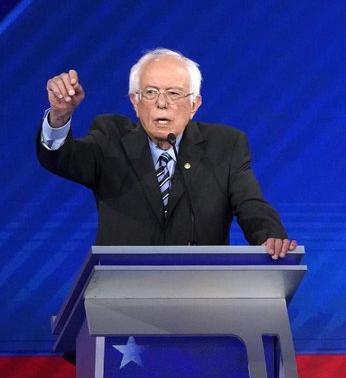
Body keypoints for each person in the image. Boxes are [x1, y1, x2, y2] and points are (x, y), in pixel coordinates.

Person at [38, 48, 296, 258]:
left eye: (174, 93)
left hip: (202, 298)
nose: (162, 103)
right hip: (121, 298)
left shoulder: (225, 146)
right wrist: (60, 115)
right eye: (150, 93)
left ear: (194, 104)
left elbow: (252, 205)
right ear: (134, 102)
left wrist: (269, 237)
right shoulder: (111, 137)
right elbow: (62, 157)